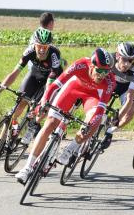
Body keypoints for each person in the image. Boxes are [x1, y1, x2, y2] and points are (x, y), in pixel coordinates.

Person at [15, 48, 116, 184]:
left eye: (106, 71)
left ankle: (72, 148)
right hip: (73, 89)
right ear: (92, 66)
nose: (102, 75)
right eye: (100, 70)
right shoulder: (80, 64)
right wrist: (45, 101)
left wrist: (89, 126)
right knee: (50, 123)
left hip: (92, 97)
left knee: (93, 121)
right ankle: (27, 168)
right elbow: (55, 85)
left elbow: (100, 109)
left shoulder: (109, 81)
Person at [0, 26, 63, 146]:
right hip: (35, 74)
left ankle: (32, 127)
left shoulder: (54, 55)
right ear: (34, 44)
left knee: (44, 105)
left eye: (45, 47)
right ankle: (0, 142)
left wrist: (43, 102)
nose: (42, 50)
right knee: (20, 103)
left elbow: (49, 84)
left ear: (49, 46)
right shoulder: (29, 51)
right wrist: (1, 87)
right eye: (39, 46)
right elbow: (15, 73)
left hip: (51, 79)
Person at [102, 42, 134, 150]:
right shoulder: (109, 59)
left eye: (131, 60)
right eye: (124, 59)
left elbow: (129, 99)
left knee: (130, 113)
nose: (127, 64)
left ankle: (109, 131)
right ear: (117, 56)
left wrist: (117, 120)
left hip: (126, 89)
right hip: (110, 84)